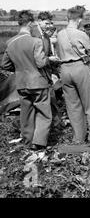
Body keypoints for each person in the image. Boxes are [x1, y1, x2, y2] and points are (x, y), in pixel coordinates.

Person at [1, 10, 59, 150]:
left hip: (21, 83)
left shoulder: (10, 42)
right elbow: (40, 63)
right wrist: (49, 59)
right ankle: (38, 142)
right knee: (44, 112)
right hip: (38, 82)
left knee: (26, 112)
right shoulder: (36, 41)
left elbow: (5, 65)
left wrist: (20, 68)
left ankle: (27, 141)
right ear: (31, 23)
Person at [57, 6, 90, 143]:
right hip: (79, 67)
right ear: (79, 19)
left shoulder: (60, 34)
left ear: (67, 18)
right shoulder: (81, 34)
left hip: (64, 69)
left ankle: (78, 137)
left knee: (72, 106)